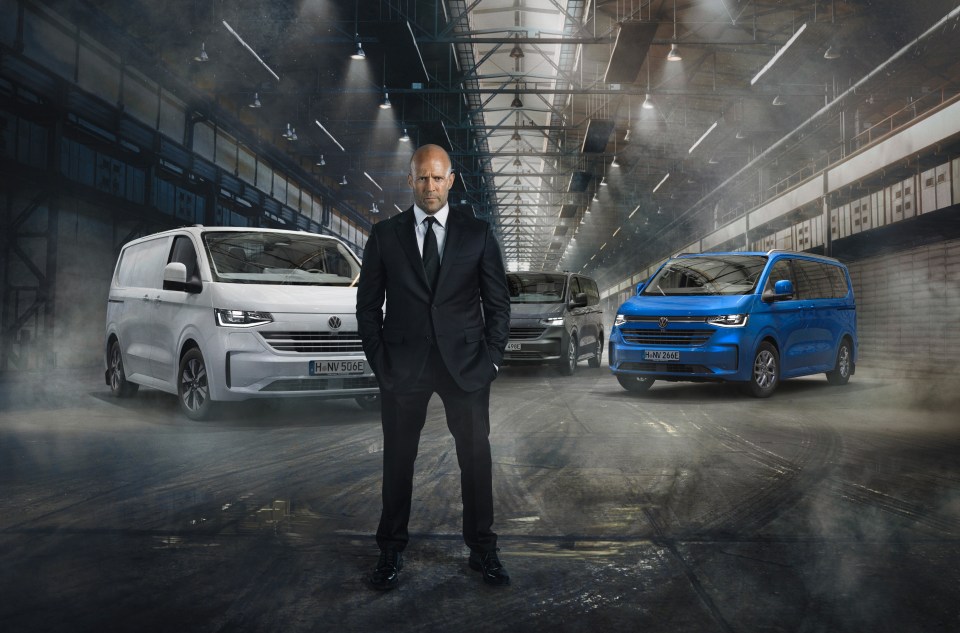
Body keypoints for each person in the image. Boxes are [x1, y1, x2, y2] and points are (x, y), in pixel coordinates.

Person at [356, 144, 511, 589]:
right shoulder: (386, 235)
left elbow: (498, 304)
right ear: (410, 180)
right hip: (403, 367)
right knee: (398, 460)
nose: (430, 186)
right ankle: (389, 550)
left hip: (465, 365)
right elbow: (367, 308)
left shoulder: (477, 233)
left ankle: (483, 550)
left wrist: (492, 361)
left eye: (438, 177)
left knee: (476, 458)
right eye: (422, 178)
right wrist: (380, 363)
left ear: (451, 180)